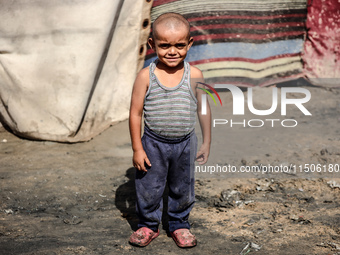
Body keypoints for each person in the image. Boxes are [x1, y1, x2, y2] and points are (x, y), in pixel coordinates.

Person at [128, 12, 211, 248]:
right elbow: (135, 113)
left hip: (186, 143)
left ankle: (180, 224)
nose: (172, 51)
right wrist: (137, 148)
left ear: (189, 44)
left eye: (179, 45)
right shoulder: (146, 76)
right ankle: (147, 225)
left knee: (182, 186)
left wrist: (206, 142)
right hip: (153, 143)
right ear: (152, 44)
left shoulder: (195, 75)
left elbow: (204, 110)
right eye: (164, 45)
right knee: (149, 186)